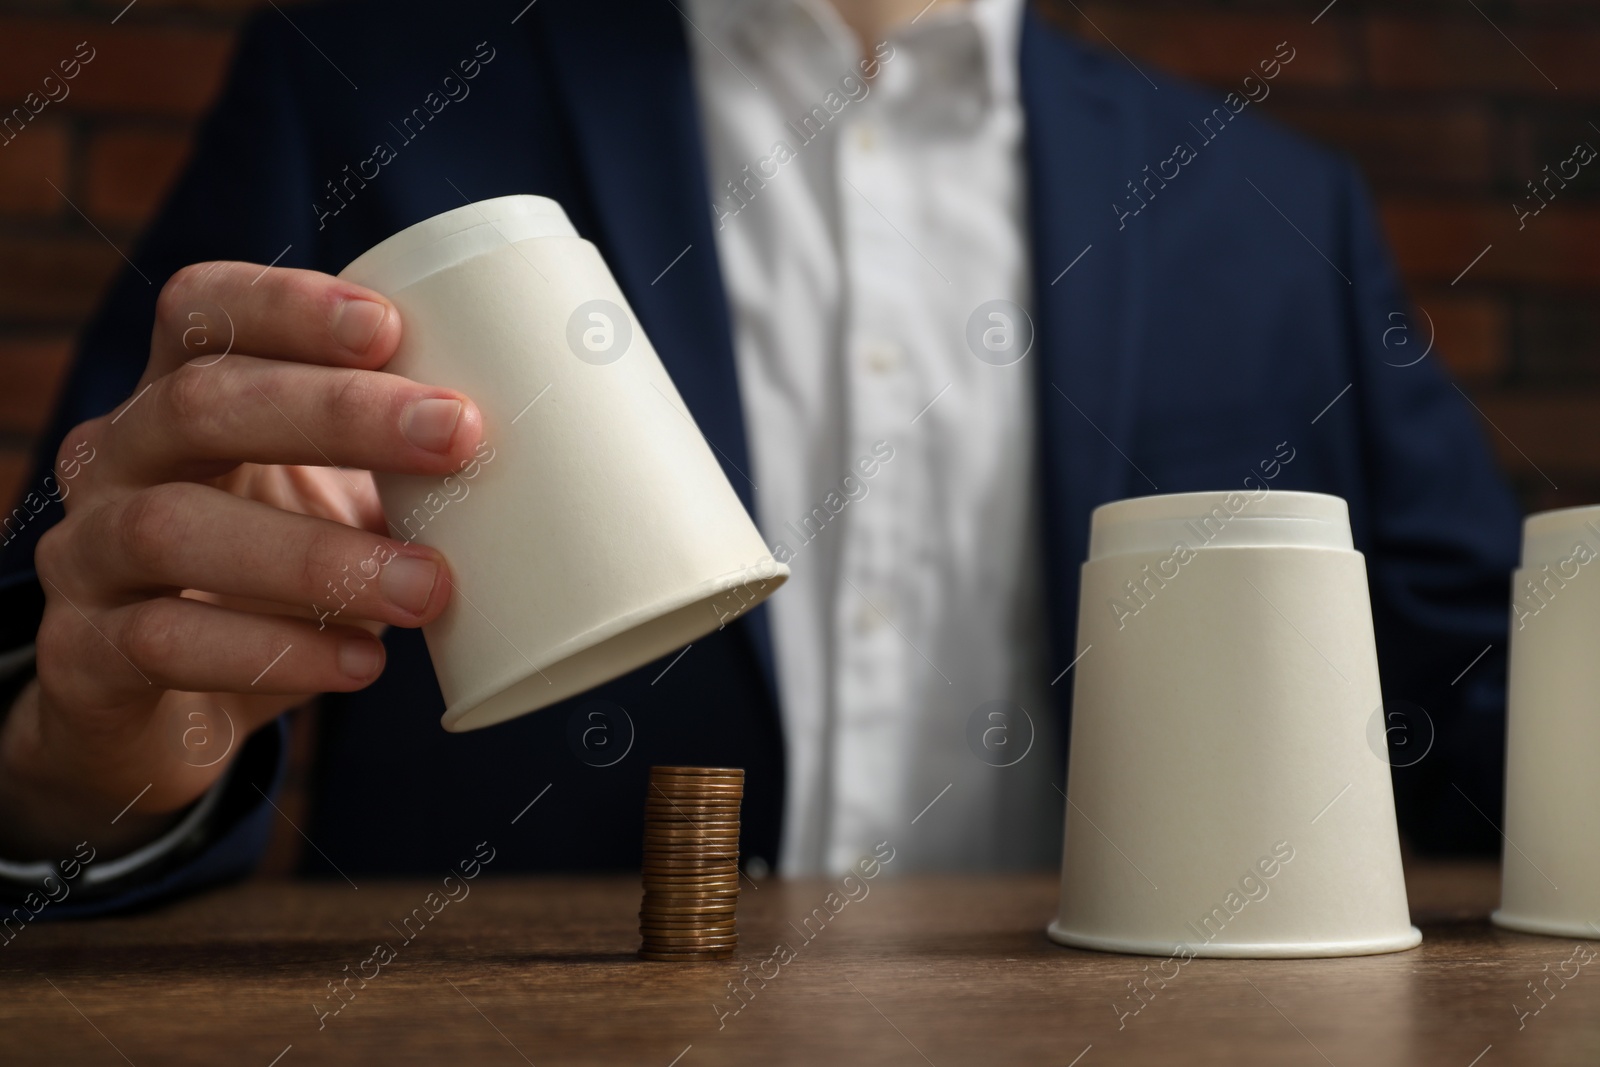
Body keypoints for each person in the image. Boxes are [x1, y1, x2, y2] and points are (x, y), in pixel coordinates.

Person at [0, 0, 1520, 915]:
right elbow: (74, 636)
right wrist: (98, 760)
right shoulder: (363, 81)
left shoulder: (1272, 208)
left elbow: (1488, 725)